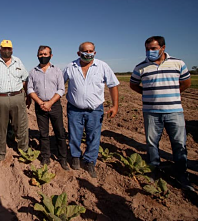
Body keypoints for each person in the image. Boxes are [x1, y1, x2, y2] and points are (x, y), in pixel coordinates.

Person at [130, 36, 193, 191]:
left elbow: (186, 83)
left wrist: (173, 94)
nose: (150, 51)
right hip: (151, 112)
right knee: (152, 144)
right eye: (147, 49)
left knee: (179, 144)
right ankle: (153, 170)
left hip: (174, 111)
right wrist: (149, 95)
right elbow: (133, 85)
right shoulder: (141, 67)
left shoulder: (178, 63)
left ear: (163, 48)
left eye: (153, 48)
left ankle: (182, 174)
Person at [63, 41, 119, 178]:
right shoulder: (70, 66)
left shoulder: (102, 66)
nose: (88, 54)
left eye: (91, 51)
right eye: (85, 51)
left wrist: (115, 105)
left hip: (95, 109)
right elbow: (59, 83)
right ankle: (75, 157)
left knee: (94, 136)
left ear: (94, 52)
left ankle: (90, 161)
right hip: (74, 109)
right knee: (74, 135)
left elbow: (113, 85)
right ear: (78, 53)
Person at [27, 45, 69, 170]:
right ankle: (46, 157)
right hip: (40, 105)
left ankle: (63, 158)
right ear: (37, 56)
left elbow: (61, 89)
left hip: (54, 105)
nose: (43, 56)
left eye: (45, 54)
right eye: (41, 54)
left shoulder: (57, 71)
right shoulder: (33, 72)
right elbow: (30, 89)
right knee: (43, 133)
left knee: (60, 132)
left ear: (51, 55)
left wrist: (50, 103)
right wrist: (40, 102)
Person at [0, 40, 29, 164]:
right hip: (0, 98)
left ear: (12, 49)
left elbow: (25, 79)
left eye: (9, 48)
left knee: (21, 125)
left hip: (18, 96)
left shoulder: (18, 61)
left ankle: (24, 150)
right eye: (4, 48)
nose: (7, 50)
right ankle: (0, 153)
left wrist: (27, 96)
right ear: (0, 49)